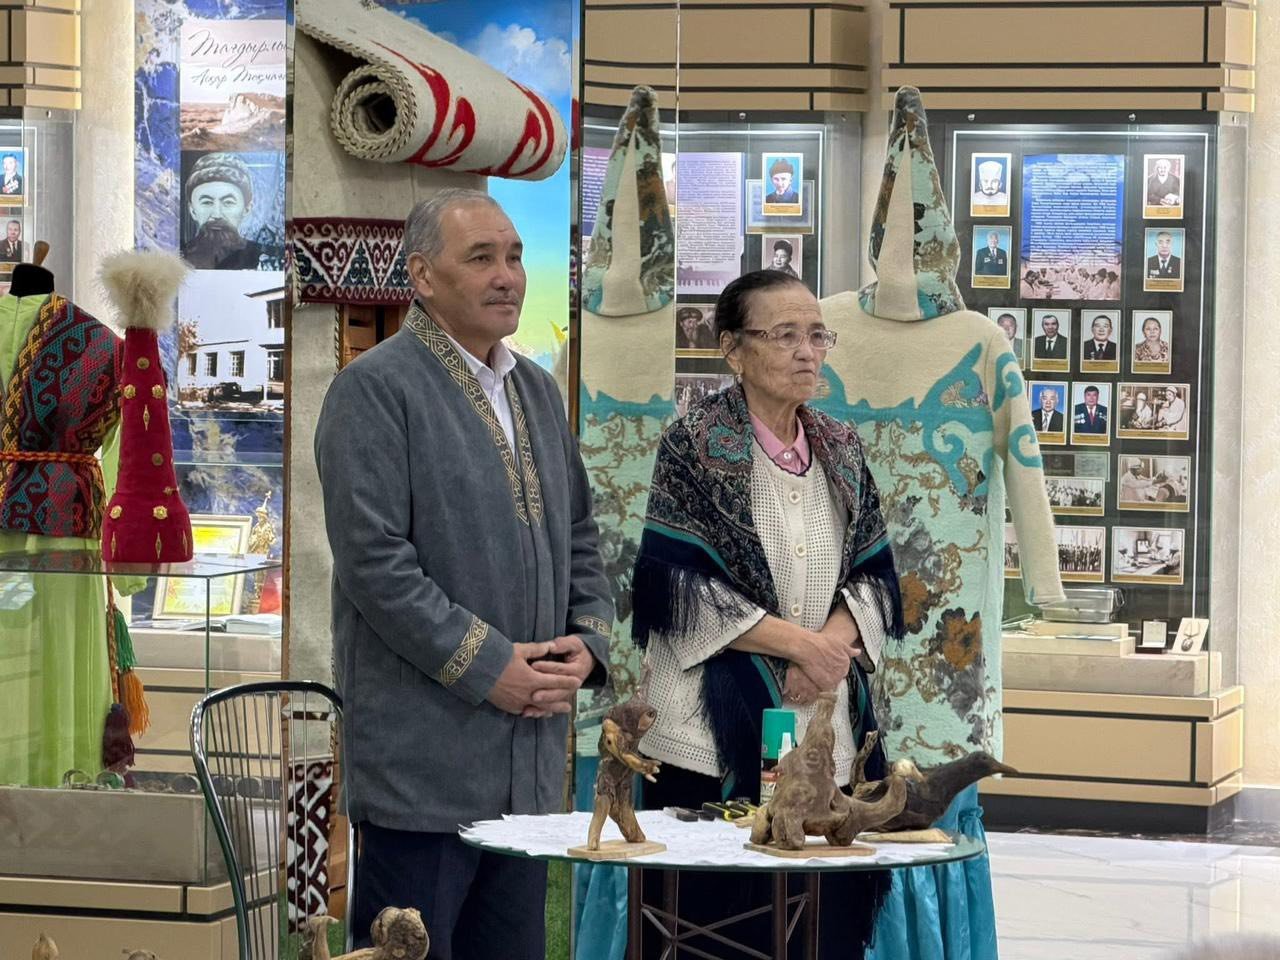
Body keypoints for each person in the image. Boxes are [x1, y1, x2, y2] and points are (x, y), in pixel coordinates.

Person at [314, 189, 614, 958]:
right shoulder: (374, 389)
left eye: (514, 256)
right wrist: (490, 669)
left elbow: (580, 533)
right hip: (424, 770)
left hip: (528, 766)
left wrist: (586, 644)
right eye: (481, 257)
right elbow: (376, 566)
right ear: (422, 275)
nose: (507, 275)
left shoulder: (536, 390)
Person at [634, 269, 903, 959]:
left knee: (821, 929)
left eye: (816, 335)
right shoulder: (693, 445)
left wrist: (829, 651)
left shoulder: (842, 446)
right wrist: (800, 649)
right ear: (732, 348)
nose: (807, 351)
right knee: (712, 932)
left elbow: (873, 573)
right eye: (784, 335)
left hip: (822, 733)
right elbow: (678, 586)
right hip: (705, 737)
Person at [183, 152, 267, 270]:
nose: (217, 214)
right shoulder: (177, 258)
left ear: (247, 208)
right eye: (207, 202)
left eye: (228, 202)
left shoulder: (266, 259)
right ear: (192, 210)